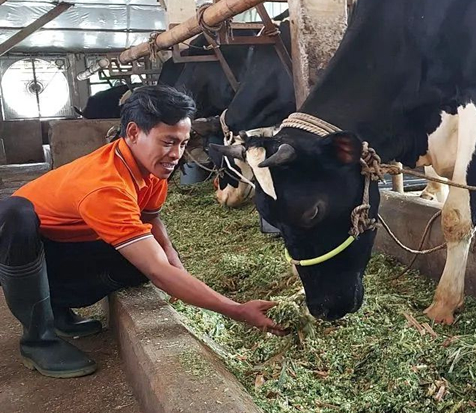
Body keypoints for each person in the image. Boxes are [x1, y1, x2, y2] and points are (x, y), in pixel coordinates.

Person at [0, 85, 284, 379]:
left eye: (183, 143)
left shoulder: (151, 168)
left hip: (62, 248)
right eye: (168, 142)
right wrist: (237, 310)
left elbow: (151, 218)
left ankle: (57, 306)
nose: (176, 154)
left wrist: (175, 263)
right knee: (14, 213)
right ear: (134, 132)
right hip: (23, 252)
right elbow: (158, 271)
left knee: (139, 264)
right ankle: (38, 341)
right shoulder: (106, 186)